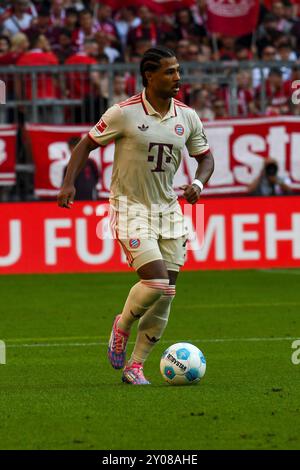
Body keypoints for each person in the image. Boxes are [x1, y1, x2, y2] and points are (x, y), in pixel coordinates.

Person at [57, 46, 214, 385]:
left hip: (168, 210)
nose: (178, 78)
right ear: (149, 76)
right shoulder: (123, 113)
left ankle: (136, 367)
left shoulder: (187, 116)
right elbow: (86, 144)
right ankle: (122, 325)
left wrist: (199, 183)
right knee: (155, 282)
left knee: (167, 293)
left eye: (178, 71)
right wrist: (68, 183)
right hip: (129, 208)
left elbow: (206, 157)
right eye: (170, 72)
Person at [63, 136, 99, 200]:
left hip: (90, 199)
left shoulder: (91, 163)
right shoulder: (67, 168)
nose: (74, 152)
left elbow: (97, 177)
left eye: (76, 149)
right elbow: (65, 185)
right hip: (75, 200)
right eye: (72, 149)